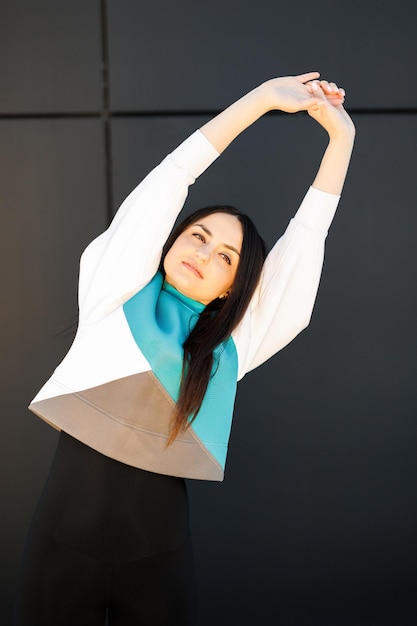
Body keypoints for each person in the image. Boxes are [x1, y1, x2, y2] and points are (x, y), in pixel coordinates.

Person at [15, 72, 355, 625]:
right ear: (172, 239)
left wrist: (341, 141)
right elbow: (171, 179)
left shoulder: (229, 347)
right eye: (199, 235)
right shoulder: (116, 292)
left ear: (232, 287)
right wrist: (261, 100)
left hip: (159, 563)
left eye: (226, 256)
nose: (205, 252)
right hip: (59, 550)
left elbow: (304, 245)